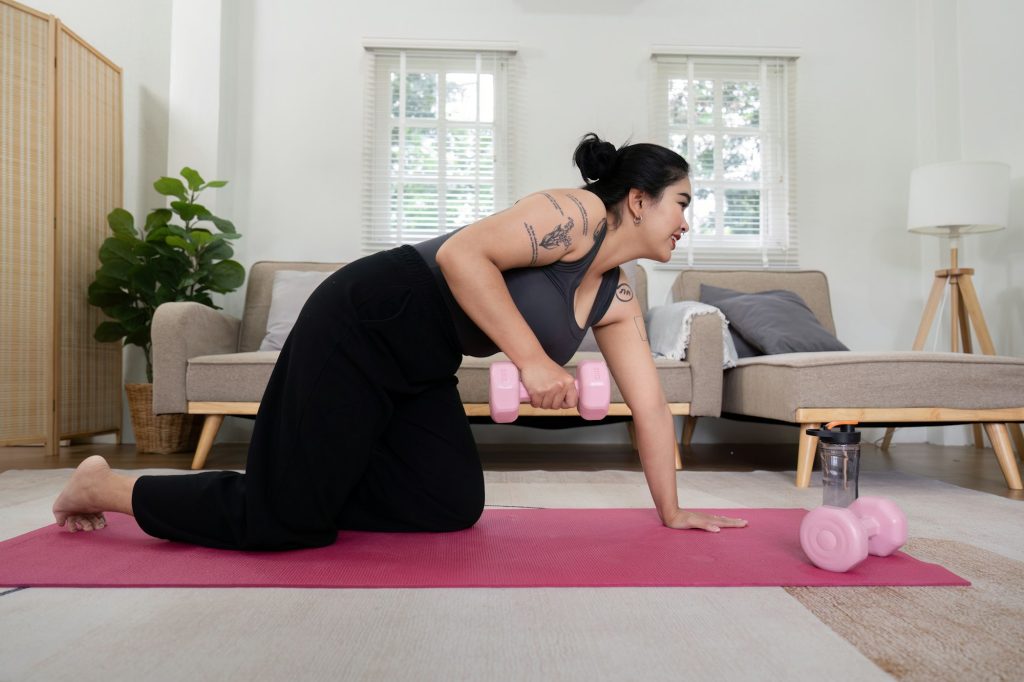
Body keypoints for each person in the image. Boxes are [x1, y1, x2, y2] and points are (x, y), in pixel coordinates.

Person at [52, 133, 748, 550]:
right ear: (638, 199)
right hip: (368, 316)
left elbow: (652, 407)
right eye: (683, 202)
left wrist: (673, 510)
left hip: (422, 360)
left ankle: (306, 484)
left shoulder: (616, 294)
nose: (687, 221)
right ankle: (107, 487)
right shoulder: (572, 214)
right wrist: (531, 360)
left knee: (449, 506)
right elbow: (462, 257)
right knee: (282, 524)